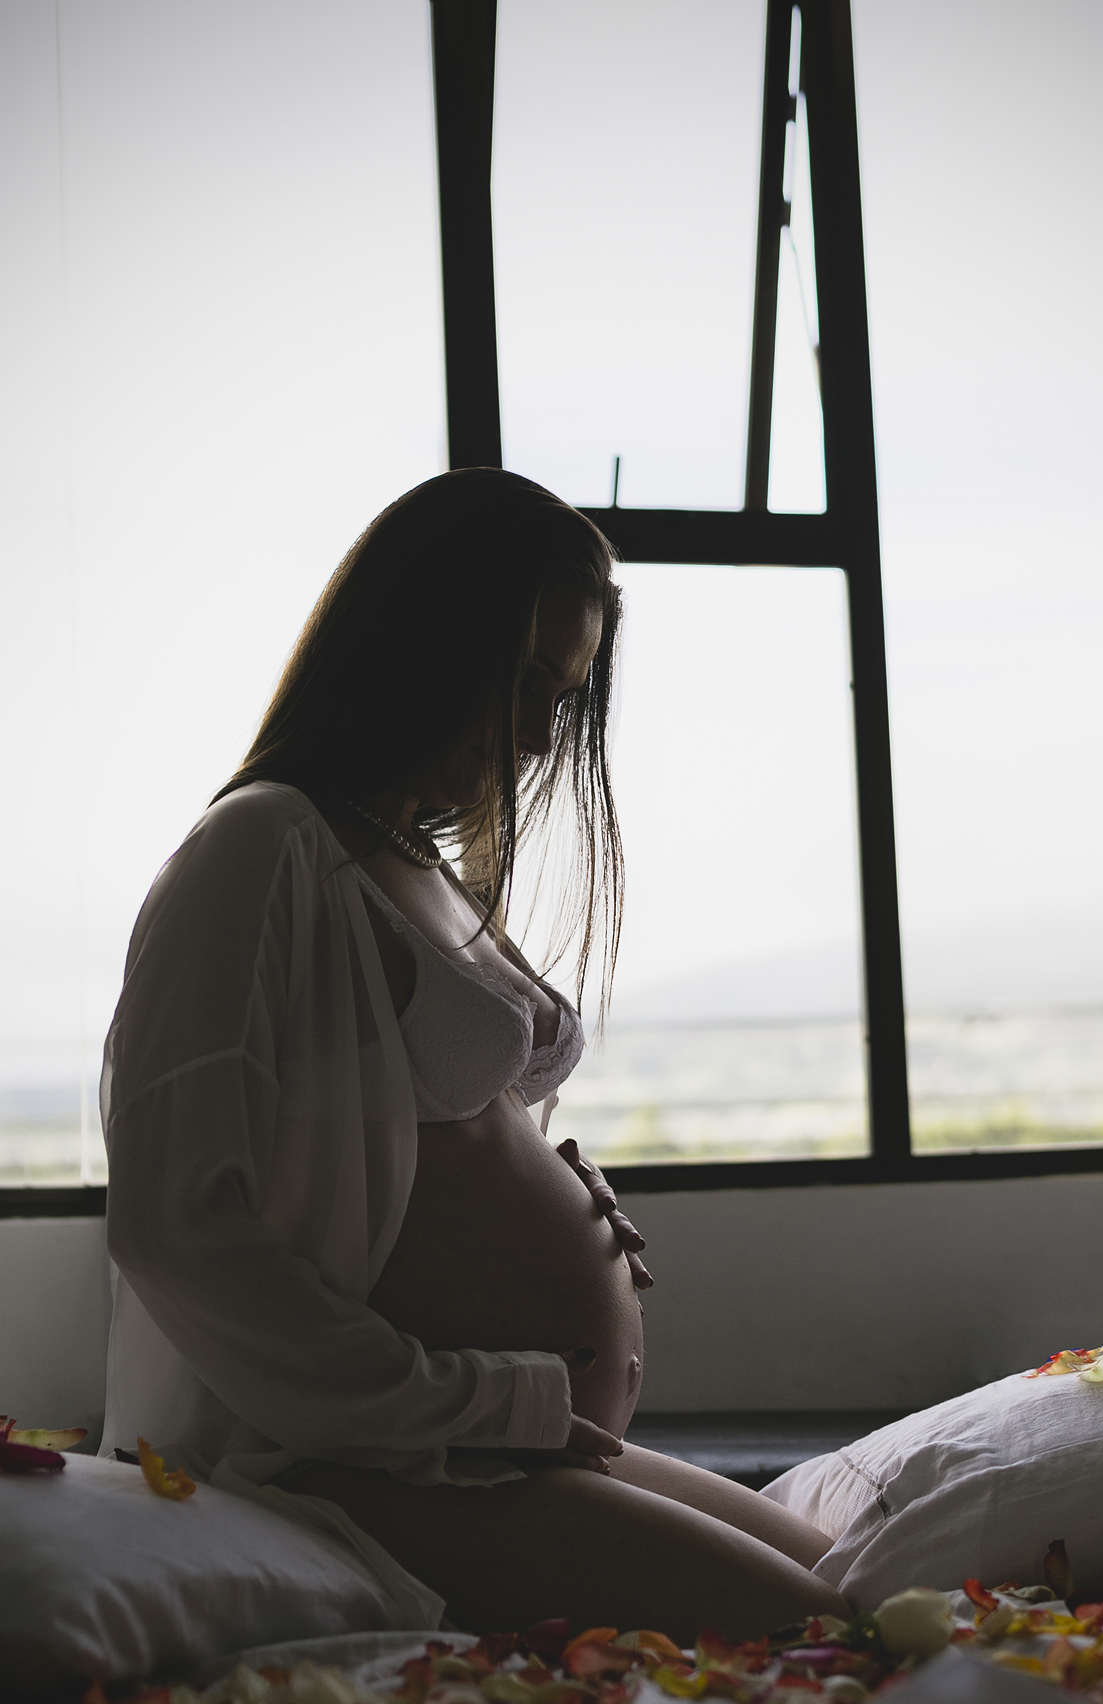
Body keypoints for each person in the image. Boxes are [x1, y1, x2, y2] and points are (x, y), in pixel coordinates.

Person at [100, 469, 848, 1644]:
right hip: (360, 1456)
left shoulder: (404, 850)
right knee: (826, 1635)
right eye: (520, 687)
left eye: (563, 696)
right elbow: (175, 1228)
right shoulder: (258, 848)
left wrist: (557, 1194)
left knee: (867, 1577)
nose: (544, 734)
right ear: (419, 646)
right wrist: (489, 1395)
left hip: (498, 1438)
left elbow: (411, 1131)